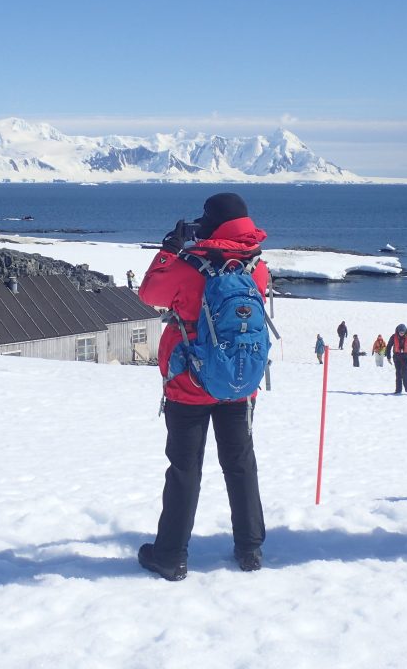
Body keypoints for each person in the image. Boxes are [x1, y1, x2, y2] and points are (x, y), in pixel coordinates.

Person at [136, 192, 269, 580]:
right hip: (239, 382)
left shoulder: (189, 266)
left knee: (185, 469)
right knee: (241, 464)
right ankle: (250, 549)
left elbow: (149, 294)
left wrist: (169, 250)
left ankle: (171, 555)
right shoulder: (255, 266)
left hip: (188, 384)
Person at [385, 324, 407, 394]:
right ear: (398, 331)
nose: (401, 334)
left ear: (405, 332)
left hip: (406, 357)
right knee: (398, 373)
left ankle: (406, 387)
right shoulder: (393, 337)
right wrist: (388, 357)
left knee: (404, 372)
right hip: (397, 357)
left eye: (403, 332)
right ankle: (398, 389)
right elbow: (388, 347)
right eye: (400, 332)